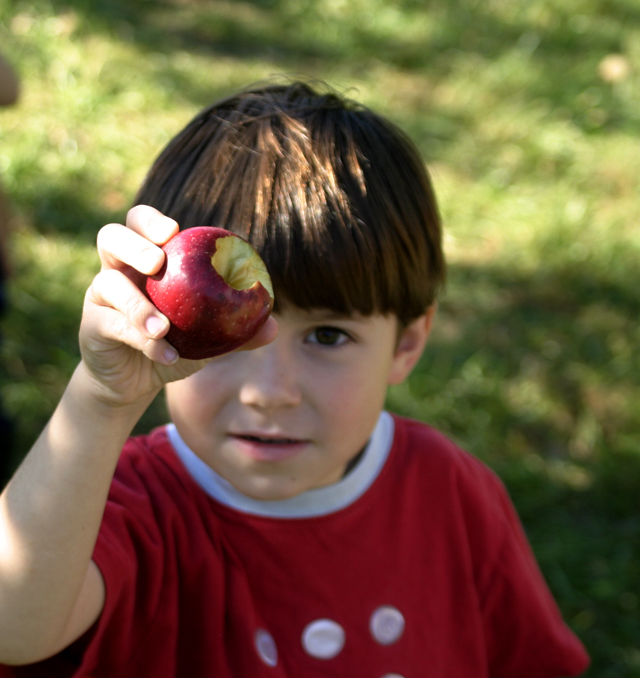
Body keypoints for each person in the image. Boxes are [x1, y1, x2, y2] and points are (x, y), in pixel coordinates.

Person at [0, 81, 589, 677]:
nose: (270, 392)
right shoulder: (124, 506)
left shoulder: (451, 495)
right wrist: (101, 401)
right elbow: (12, 628)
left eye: (328, 336)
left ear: (406, 344)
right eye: (227, 340)